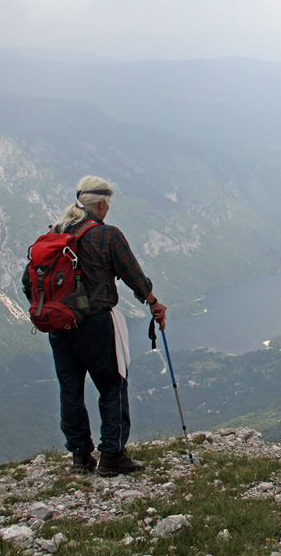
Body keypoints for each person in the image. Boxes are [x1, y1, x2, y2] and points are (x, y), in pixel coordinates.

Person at [23, 175, 167, 476]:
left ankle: (80, 456)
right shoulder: (107, 235)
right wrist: (153, 301)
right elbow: (134, 276)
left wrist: (58, 308)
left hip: (60, 328)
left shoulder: (54, 234)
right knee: (113, 385)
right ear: (101, 204)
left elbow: (28, 282)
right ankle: (112, 455)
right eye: (108, 204)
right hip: (99, 324)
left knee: (70, 390)